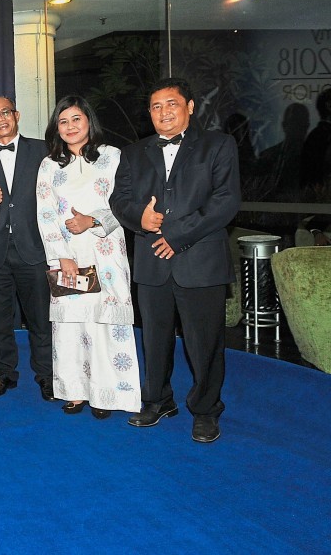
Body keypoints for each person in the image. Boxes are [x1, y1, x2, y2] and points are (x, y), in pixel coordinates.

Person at [110, 77, 240, 443]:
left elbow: (226, 201)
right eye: (156, 106)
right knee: (154, 339)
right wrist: (140, 218)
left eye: (171, 104)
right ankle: (157, 400)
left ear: (190, 107)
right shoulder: (133, 152)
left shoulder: (219, 145)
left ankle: (205, 410)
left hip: (200, 261)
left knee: (205, 343)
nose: (164, 112)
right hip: (152, 263)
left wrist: (177, 236)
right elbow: (118, 201)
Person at [35, 96, 140, 419]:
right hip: (68, 256)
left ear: (89, 121)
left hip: (105, 251)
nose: (70, 126)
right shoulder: (49, 165)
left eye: (76, 119)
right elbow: (45, 213)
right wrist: (61, 255)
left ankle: (106, 394)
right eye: (63, 121)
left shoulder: (112, 157)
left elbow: (125, 202)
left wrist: (92, 221)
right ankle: (74, 391)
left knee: (104, 324)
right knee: (70, 326)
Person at [0, 96, 55, 402]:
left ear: (17, 115)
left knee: (41, 319)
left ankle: (47, 375)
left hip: (35, 250)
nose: (0, 119)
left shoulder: (44, 151)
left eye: (5, 112)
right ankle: (5, 373)